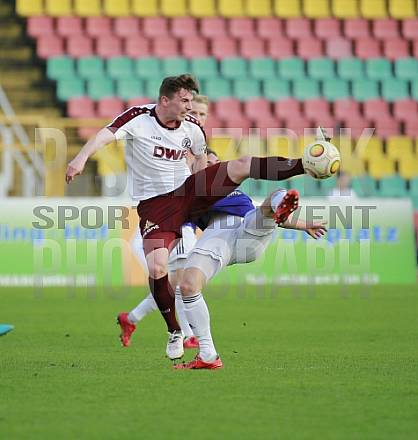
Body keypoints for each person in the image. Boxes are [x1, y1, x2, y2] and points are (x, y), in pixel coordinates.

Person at [66, 74, 312, 361]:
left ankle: (304, 165)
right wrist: (80, 158)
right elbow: (104, 135)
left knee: (242, 165)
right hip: (157, 205)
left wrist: (208, 182)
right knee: (158, 268)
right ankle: (174, 330)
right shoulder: (138, 118)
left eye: (191, 102)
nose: (189, 107)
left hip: (190, 191)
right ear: (165, 100)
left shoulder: (193, 127)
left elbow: (199, 161)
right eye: (184, 101)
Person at [119, 95, 212, 351]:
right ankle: (186, 335)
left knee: (174, 283)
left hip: (181, 225)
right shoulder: (173, 145)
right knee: (180, 281)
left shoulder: (197, 145)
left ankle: (131, 319)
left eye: (203, 114)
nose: (197, 118)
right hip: (169, 224)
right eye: (195, 113)